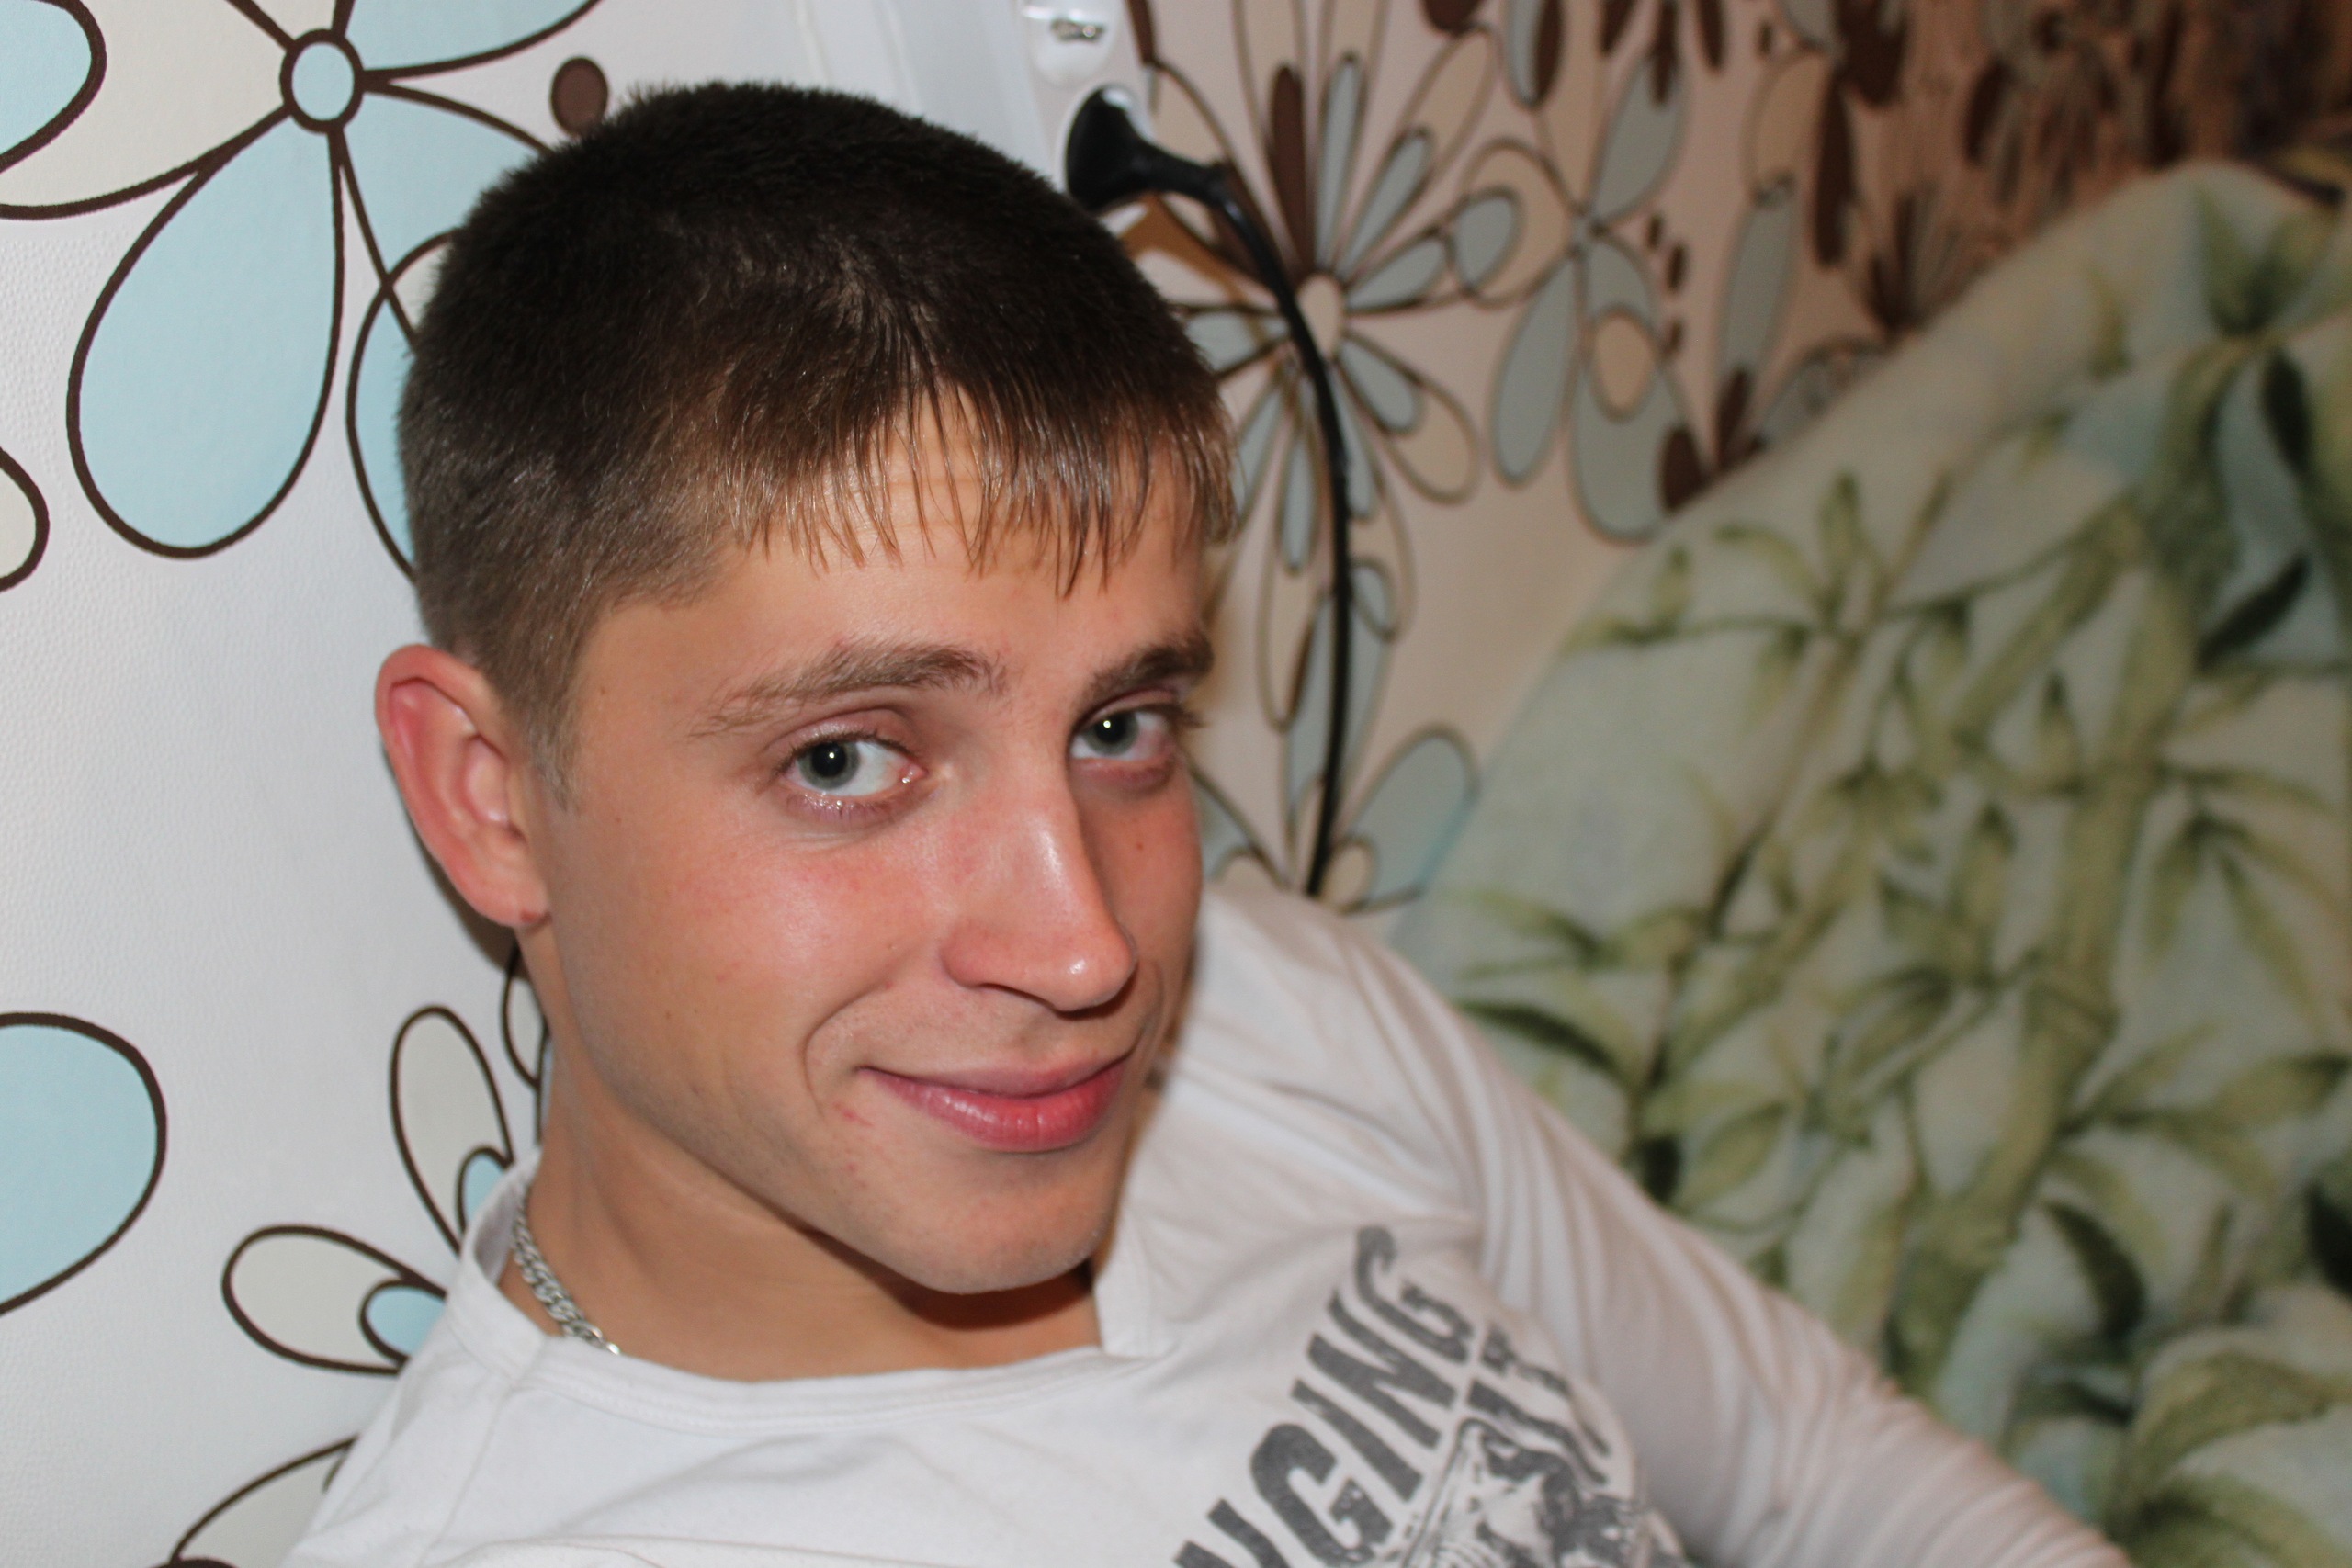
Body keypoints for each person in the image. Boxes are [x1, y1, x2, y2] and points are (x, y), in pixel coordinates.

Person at [292, 83, 2124, 1568]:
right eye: (848, 760)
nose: (1089, 946)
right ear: (491, 794)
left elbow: (1806, 1465)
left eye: (1118, 728)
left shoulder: (1270, 1012)